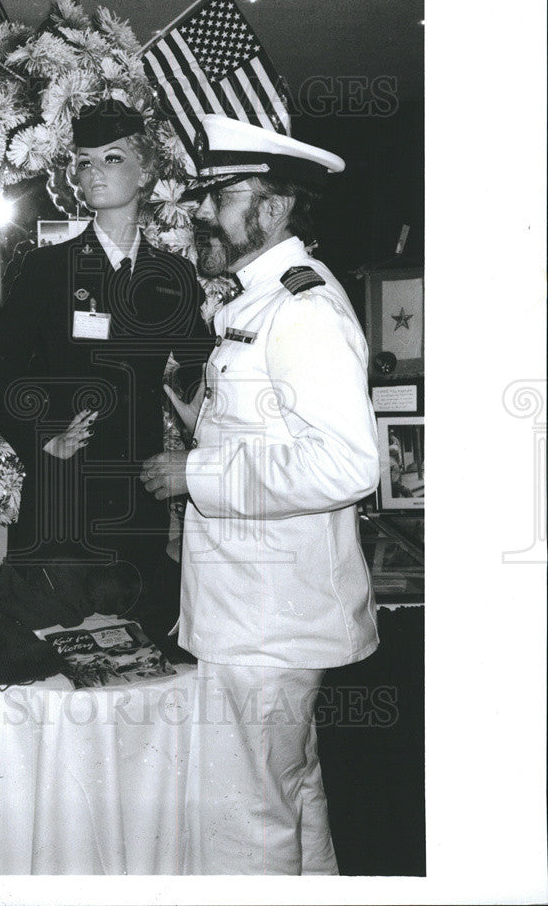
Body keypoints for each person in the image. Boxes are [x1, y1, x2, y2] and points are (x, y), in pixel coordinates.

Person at [140, 115, 380, 874]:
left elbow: (346, 464)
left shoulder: (300, 309)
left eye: (221, 195)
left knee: (244, 820)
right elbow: (268, 433)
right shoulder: (256, 301)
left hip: (267, 620)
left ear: (272, 209)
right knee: (291, 791)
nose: (201, 212)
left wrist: (194, 476)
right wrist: (193, 420)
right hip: (260, 611)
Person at [0, 99, 210, 647]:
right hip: (63, 494)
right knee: (49, 644)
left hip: (140, 496)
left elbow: (198, 378)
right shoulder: (47, 270)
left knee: (138, 652)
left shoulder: (172, 276)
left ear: (146, 172)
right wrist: (42, 439)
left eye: (111, 158)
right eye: (84, 161)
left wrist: (200, 454)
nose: (94, 172)